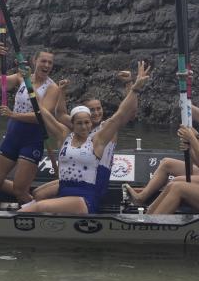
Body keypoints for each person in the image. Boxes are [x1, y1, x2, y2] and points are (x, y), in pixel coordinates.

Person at [24, 61, 150, 215]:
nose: (84, 126)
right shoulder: (67, 134)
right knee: (38, 194)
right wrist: (29, 81)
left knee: (40, 206)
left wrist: (133, 86)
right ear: (73, 123)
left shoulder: (102, 133)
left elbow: (125, 113)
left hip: (94, 184)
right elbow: (52, 112)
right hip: (70, 183)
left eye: (98, 110)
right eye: (80, 122)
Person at [125, 84, 199, 205]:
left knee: (176, 182)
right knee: (166, 163)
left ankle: (151, 200)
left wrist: (195, 137)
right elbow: (185, 106)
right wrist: (185, 87)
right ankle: (142, 196)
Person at [0, 42, 66, 203]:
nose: (47, 65)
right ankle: (35, 197)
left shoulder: (52, 88)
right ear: (34, 61)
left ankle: (36, 209)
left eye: (50, 62)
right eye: (43, 61)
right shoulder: (20, 77)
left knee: (20, 191)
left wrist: (13, 115)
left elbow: (41, 116)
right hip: (12, 136)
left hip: (32, 140)